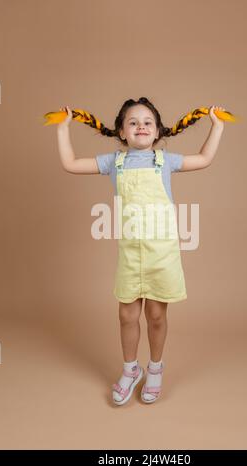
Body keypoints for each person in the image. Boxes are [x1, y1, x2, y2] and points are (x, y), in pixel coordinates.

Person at [56, 97, 225, 406]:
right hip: (131, 252)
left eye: (148, 122)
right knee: (126, 314)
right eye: (133, 122)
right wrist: (63, 128)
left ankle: (156, 370)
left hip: (162, 252)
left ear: (158, 130)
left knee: (156, 315)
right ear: (122, 132)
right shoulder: (114, 162)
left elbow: (204, 158)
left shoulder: (166, 160)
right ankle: (130, 369)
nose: (141, 127)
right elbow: (70, 164)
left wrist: (217, 126)